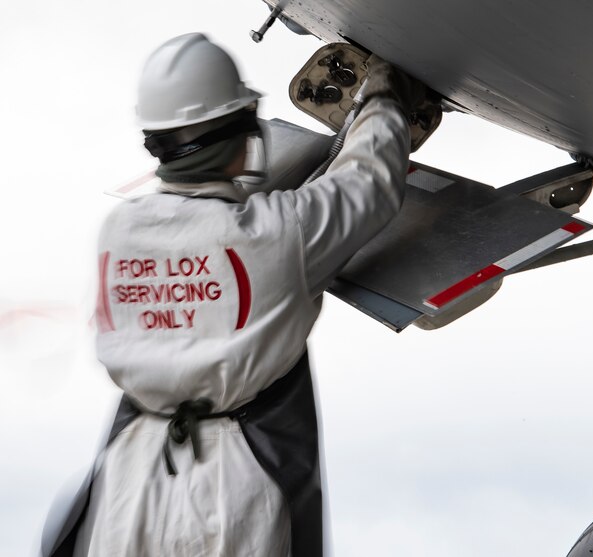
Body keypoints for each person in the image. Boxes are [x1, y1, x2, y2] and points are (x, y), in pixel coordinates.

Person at [41, 32, 424, 556]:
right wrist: (382, 98)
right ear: (242, 133)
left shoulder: (118, 231)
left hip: (128, 483)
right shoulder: (277, 234)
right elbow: (369, 184)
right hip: (236, 487)